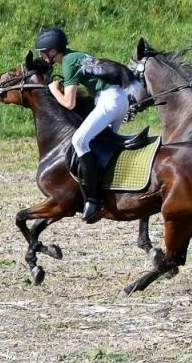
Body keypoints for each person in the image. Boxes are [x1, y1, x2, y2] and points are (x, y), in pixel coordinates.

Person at [34, 27, 131, 223]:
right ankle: (109, 190)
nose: (42, 55)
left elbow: (68, 103)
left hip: (108, 101)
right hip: (118, 99)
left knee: (79, 141)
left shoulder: (68, 62)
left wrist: (53, 90)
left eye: (44, 52)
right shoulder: (75, 56)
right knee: (100, 146)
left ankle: (93, 200)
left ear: (53, 51)